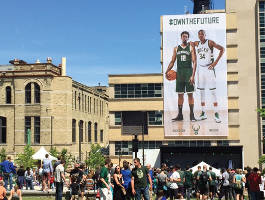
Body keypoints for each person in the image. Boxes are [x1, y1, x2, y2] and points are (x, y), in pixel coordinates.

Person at [165, 31, 197, 122]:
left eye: (186, 37)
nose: (185, 38)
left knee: (190, 94)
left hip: (188, 73)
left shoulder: (190, 48)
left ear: (188, 38)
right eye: (183, 36)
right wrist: (167, 71)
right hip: (179, 74)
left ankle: (192, 115)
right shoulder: (176, 48)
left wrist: (193, 75)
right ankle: (180, 115)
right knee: (180, 95)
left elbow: (194, 62)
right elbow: (172, 61)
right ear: (181, 37)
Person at [194, 29, 224, 123]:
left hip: (209, 69)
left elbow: (222, 49)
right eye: (199, 34)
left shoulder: (210, 42)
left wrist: (215, 62)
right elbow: (189, 43)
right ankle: (203, 113)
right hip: (200, 69)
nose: (201, 36)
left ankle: (216, 113)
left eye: (202, 34)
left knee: (213, 92)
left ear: (205, 35)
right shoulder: (196, 43)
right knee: (202, 92)